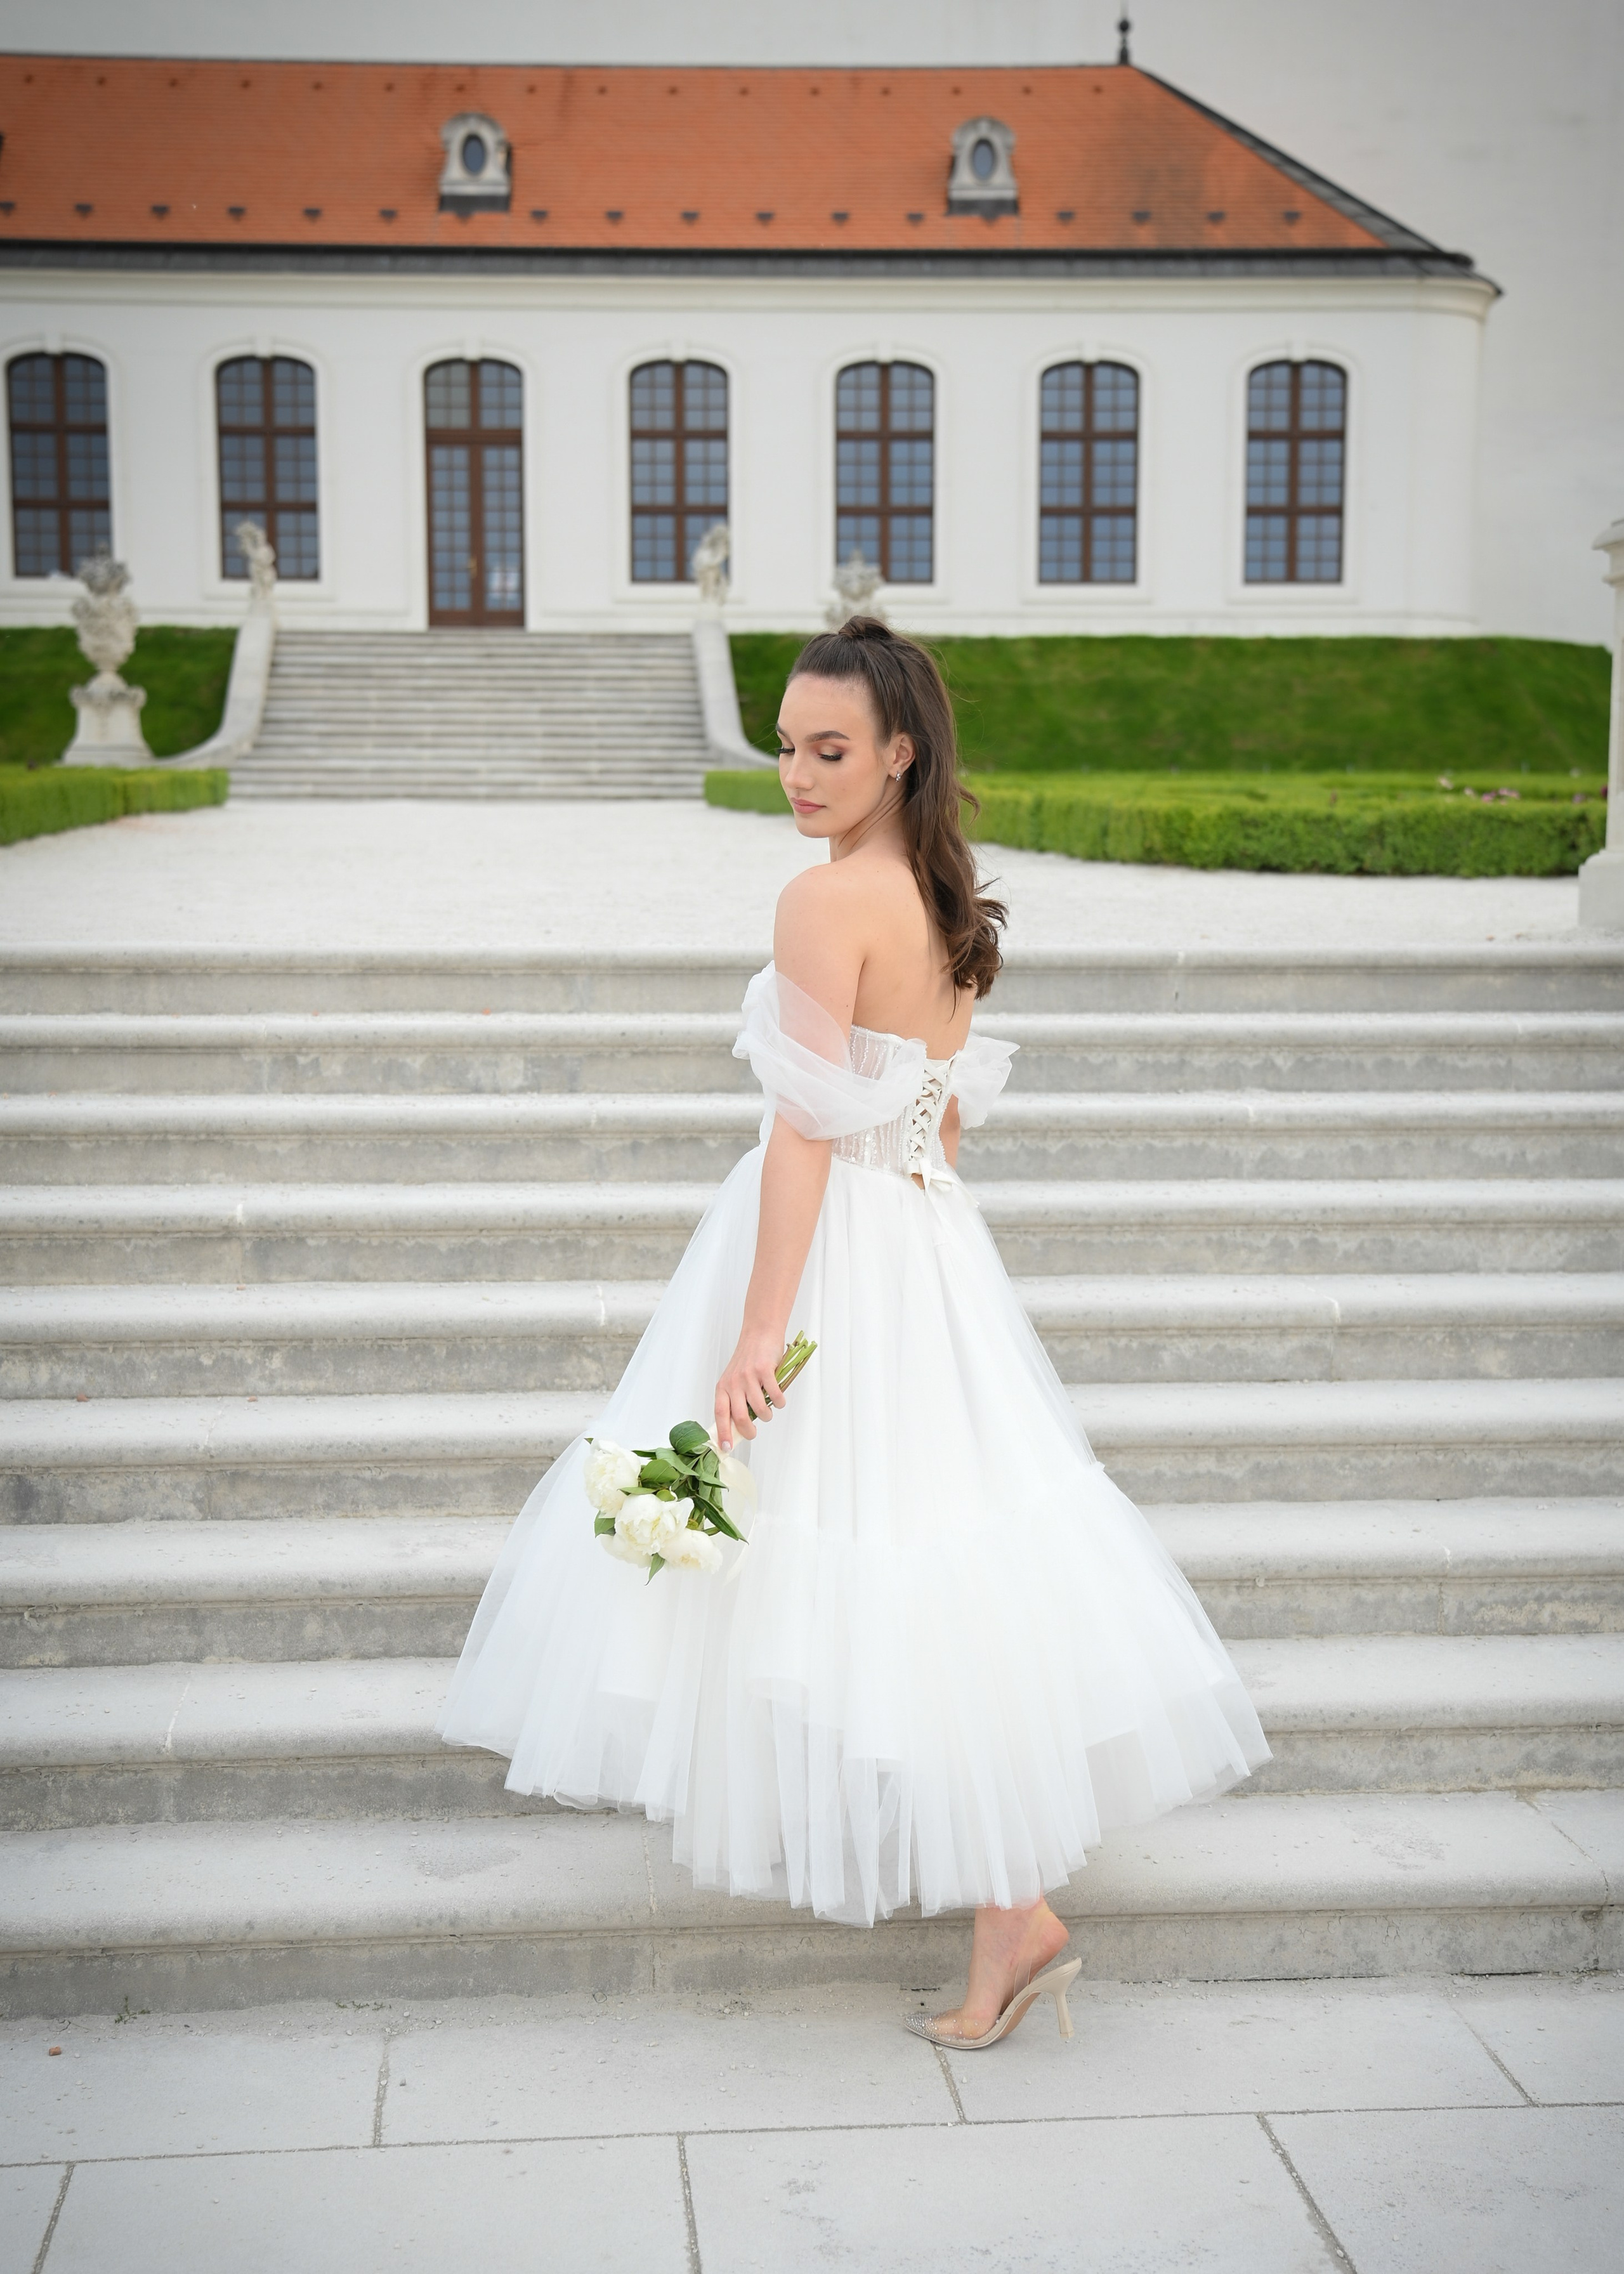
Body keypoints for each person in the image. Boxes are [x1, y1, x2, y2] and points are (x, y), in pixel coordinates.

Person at [438, 617, 1269, 2048]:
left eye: (829, 750)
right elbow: (935, 1122)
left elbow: (803, 1135)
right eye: (785, 746)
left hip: (839, 1252)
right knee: (936, 1550)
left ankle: (1012, 1910)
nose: (798, 774)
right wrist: (923, 1251)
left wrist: (761, 1329)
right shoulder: (939, 899)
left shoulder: (825, 903)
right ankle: (1013, 1907)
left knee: (863, 1547)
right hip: (927, 1242)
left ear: (898, 751)